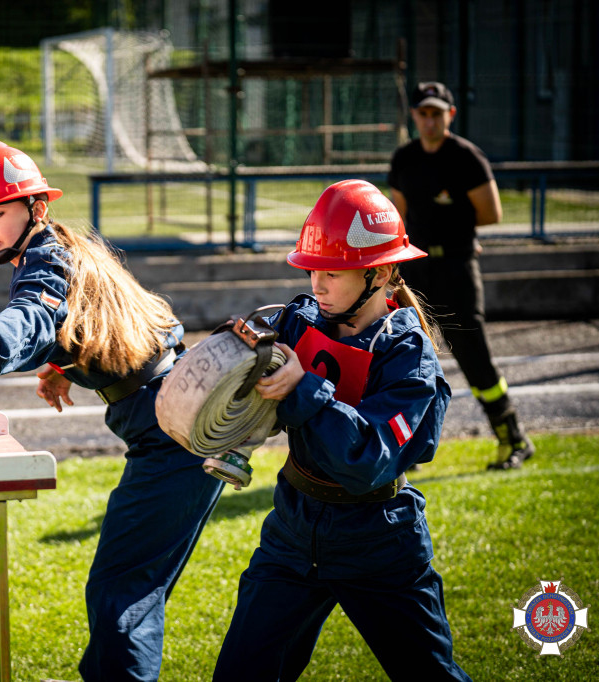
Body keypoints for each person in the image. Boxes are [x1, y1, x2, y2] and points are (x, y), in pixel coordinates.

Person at [0, 140, 224, 682]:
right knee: (123, 587)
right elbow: (116, 320)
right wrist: (64, 364)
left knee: (121, 593)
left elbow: (34, 314)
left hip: (172, 434)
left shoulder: (45, 256)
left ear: (36, 208)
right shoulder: (62, 246)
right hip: (174, 418)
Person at [212, 180, 470, 681]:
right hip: (291, 533)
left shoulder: (407, 355)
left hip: (378, 542)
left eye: (333, 272)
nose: (318, 285)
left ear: (379, 274)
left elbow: (367, 459)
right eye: (313, 270)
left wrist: (302, 386)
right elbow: (239, 384)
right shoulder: (301, 319)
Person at [388, 81, 533, 471]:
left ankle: (512, 437)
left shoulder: (467, 157)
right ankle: (408, 450)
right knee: (407, 356)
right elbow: (398, 217)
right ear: (414, 116)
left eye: (437, 113)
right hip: (415, 271)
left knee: (474, 357)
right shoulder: (403, 159)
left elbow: (491, 213)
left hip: (457, 267)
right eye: (423, 113)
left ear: (450, 115)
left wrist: (453, 228)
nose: (430, 120)